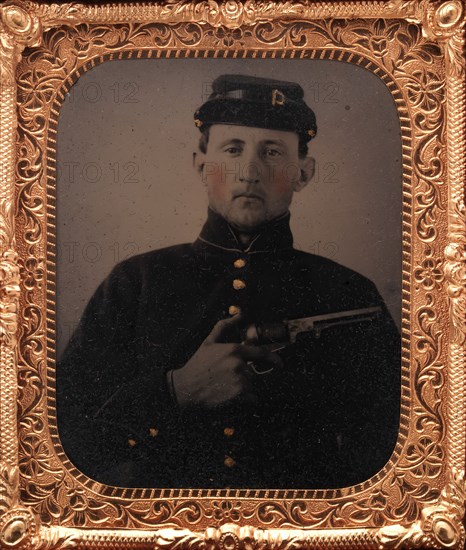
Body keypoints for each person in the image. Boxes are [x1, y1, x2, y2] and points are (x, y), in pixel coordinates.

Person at [57, 74, 400, 489]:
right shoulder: (134, 283)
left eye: (272, 152)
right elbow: (64, 441)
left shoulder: (350, 292)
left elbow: (394, 458)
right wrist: (174, 390)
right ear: (201, 165)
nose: (250, 172)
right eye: (232, 149)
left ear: (304, 173)